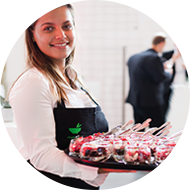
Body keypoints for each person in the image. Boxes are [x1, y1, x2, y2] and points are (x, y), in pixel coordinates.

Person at [8, 4, 135, 189]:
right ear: (33, 35)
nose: (61, 35)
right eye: (49, 28)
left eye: (67, 26)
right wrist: (97, 171)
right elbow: (41, 155)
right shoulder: (34, 83)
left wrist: (117, 143)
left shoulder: (74, 78)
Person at [126, 32, 180, 132]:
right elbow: (161, 78)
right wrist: (169, 71)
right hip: (151, 102)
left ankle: (138, 148)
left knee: (138, 130)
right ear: (161, 43)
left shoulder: (133, 57)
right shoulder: (154, 58)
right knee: (157, 130)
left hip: (136, 100)